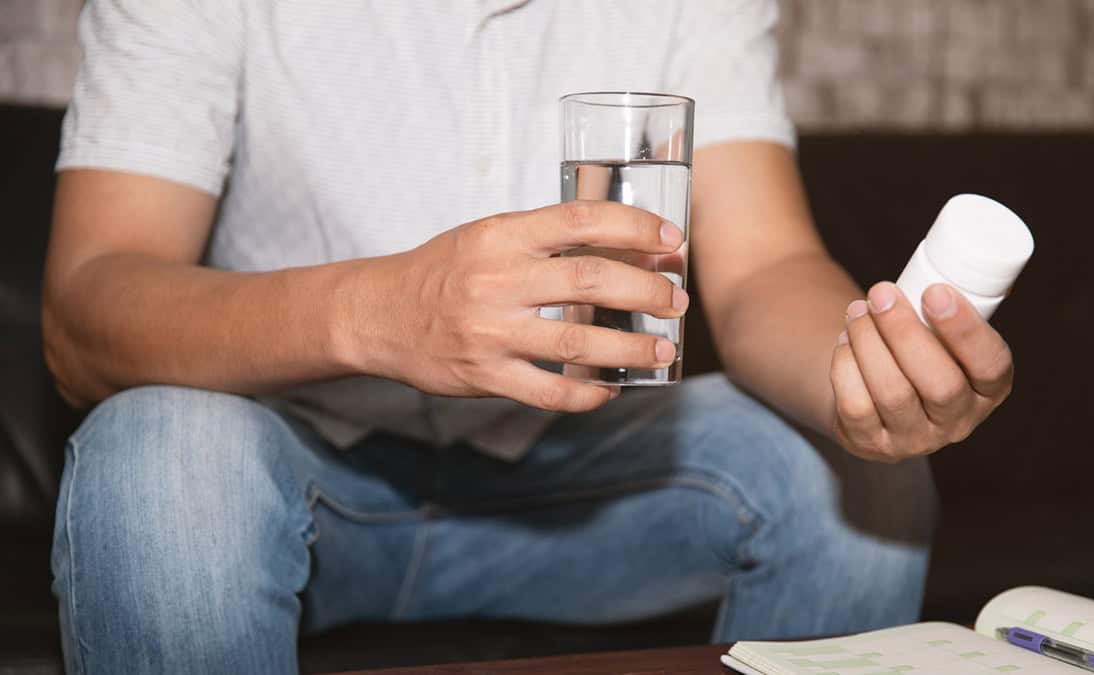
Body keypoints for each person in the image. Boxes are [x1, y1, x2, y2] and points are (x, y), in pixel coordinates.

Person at [42, 1, 1014, 673]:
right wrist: (381, 311)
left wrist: (864, 379)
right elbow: (85, 312)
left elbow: (763, 268)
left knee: (861, 472)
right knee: (157, 455)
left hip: (575, 468)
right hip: (286, 466)